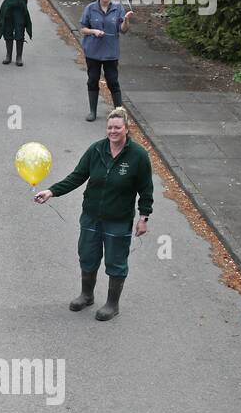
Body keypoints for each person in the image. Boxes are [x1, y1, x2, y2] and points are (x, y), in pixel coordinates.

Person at [33, 107, 153, 321]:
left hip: (118, 220)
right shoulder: (96, 150)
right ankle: (86, 295)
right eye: (109, 127)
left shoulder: (138, 156)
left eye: (117, 127)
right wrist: (52, 191)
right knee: (87, 256)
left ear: (126, 128)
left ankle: (112, 304)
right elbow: (77, 176)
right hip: (91, 216)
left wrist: (144, 218)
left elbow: (146, 189)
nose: (113, 131)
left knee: (116, 262)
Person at [78, 0, 134, 121]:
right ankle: (92, 111)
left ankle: (119, 114)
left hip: (110, 53)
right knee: (92, 80)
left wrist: (126, 20)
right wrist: (94, 31)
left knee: (113, 81)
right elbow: (82, 29)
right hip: (93, 52)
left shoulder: (118, 8)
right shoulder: (90, 8)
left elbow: (123, 30)